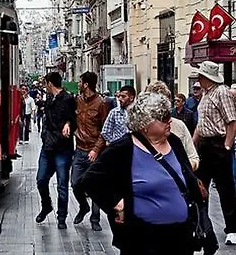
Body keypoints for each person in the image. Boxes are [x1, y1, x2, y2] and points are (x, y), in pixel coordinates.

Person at [80, 92, 206, 255]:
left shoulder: (174, 141)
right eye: (163, 117)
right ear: (144, 123)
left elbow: (185, 174)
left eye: (169, 115)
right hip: (142, 239)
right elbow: (89, 180)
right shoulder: (123, 148)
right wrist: (116, 203)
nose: (169, 120)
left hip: (180, 236)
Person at [192, 61, 236, 245]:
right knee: (199, 187)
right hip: (204, 144)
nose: (198, 79)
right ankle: (201, 225)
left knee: (225, 188)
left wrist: (227, 146)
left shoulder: (222, 92)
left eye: (200, 76)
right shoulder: (205, 94)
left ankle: (232, 229)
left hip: (218, 144)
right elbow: (201, 124)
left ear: (207, 77)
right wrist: (192, 145)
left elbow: (232, 121)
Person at [35, 72, 76, 230]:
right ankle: (47, 205)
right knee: (41, 180)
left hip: (62, 148)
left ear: (50, 83)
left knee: (62, 185)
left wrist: (68, 124)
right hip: (48, 147)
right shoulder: (49, 99)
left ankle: (62, 216)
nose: (45, 86)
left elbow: (74, 119)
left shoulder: (67, 99)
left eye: (46, 83)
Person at [71, 72, 108, 231]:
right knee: (75, 183)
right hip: (80, 149)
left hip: (95, 151)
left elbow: (105, 130)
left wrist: (96, 149)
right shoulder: (77, 101)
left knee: (96, 186)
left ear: (86, 84)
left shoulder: (101, 103)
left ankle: (95, 218)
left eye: (80, 82)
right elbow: (71, 119)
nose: (78, 84)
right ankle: (83, 206)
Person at [145, 81, 200, 171]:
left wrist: (182, 168)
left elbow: (193, 157)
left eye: (166, 103)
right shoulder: (139, 131)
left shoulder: (179, 126)